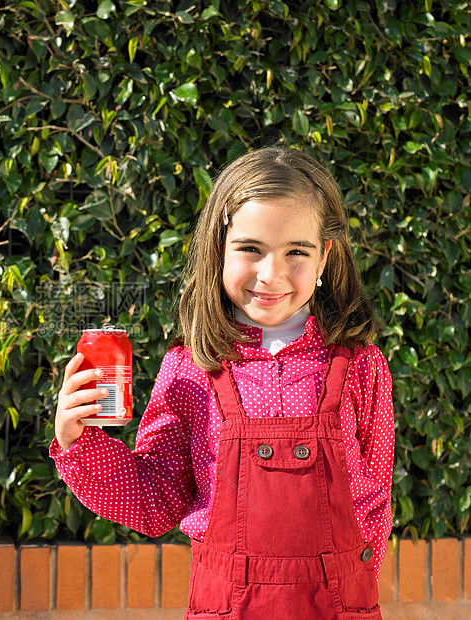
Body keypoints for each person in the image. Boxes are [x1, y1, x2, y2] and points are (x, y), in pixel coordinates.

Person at [50, 147, 394, 619]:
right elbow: (154, 502)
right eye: (250, 248)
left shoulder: (362, 366)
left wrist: (351, 590)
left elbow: (374, 500)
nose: (271, 274)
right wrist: (78, 441)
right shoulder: (189, 368)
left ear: (325, 257)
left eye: (297, 251)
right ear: (219, 248)